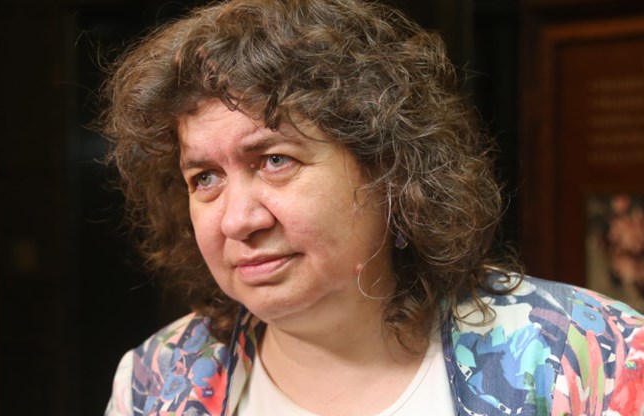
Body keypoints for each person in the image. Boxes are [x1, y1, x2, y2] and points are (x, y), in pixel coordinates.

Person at [100, 0, 644, 415]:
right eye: (205, 178)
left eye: (275, 160)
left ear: (388, 169)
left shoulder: (589, 357)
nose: (239, 219)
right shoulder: (158, 381)